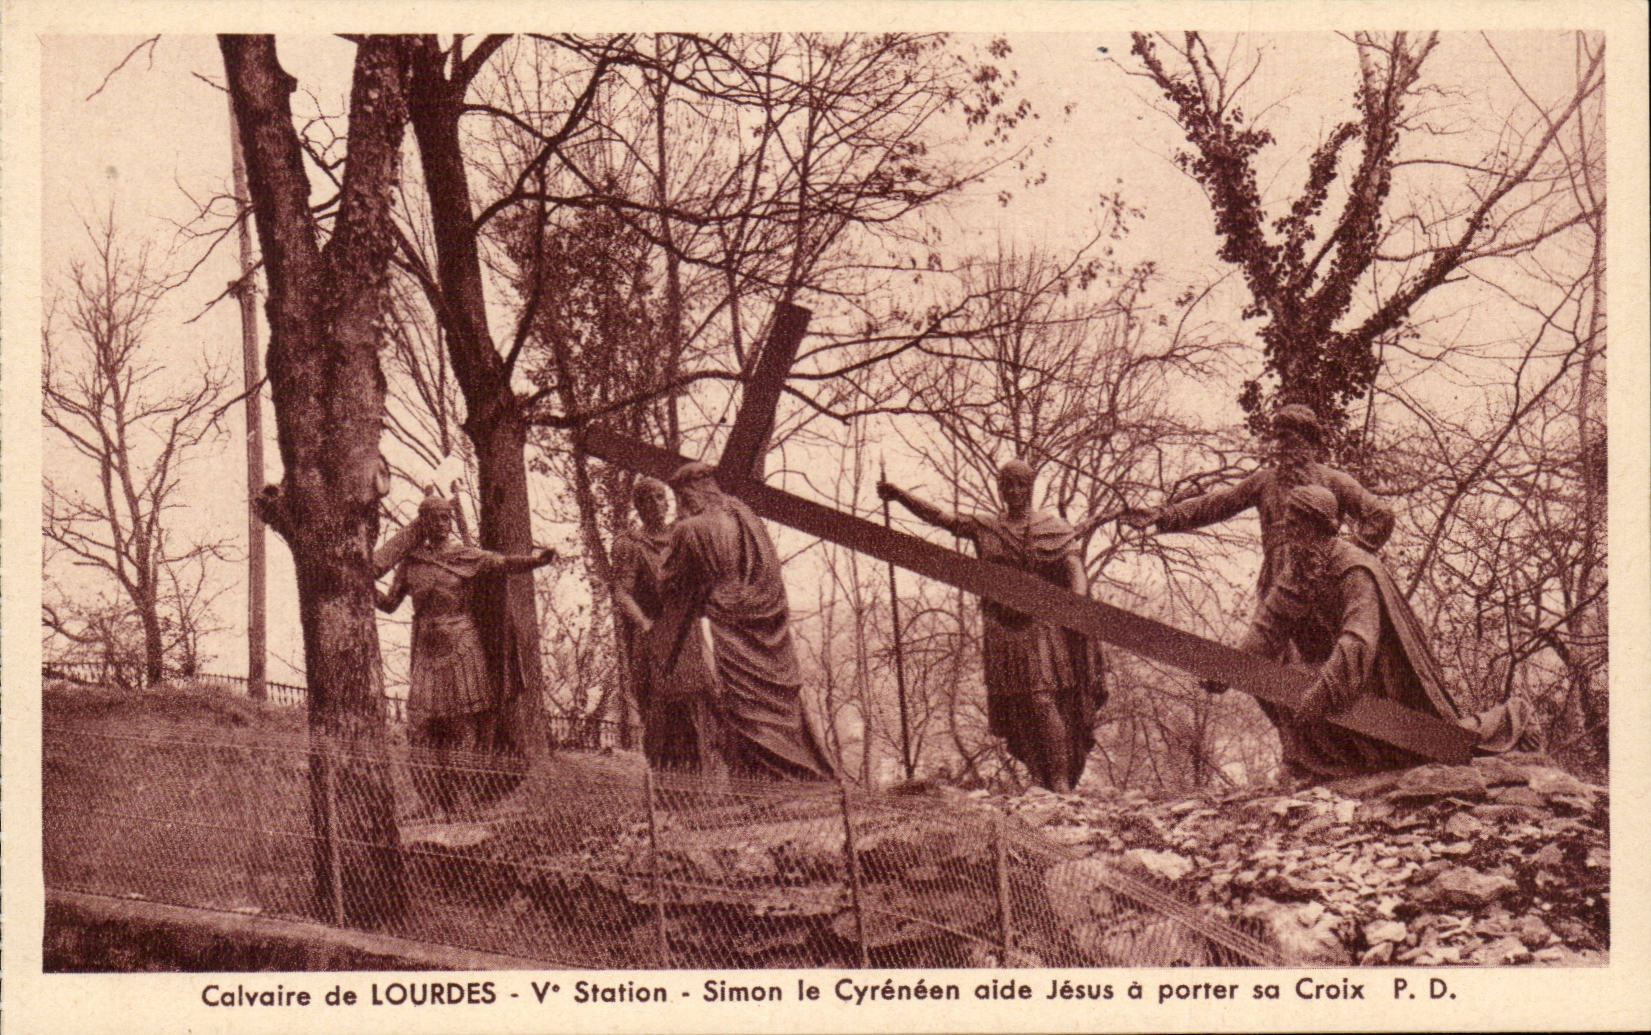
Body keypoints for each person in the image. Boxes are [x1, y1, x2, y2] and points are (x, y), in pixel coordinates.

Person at [1255, 484, 1530, 784]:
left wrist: (1323, 692)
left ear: (1315, 525)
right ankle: (1325, 763)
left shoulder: (1354, 569)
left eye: (1294, 525)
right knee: (1281, 679)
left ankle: (1512, 719)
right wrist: (1225, 669)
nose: (1287, 532)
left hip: (1383, 681)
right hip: (1342, 677)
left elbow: (1358, 641)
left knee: (1431, 745)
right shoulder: (1300, 567)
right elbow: (1267, 626)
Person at [1122, 403, 1394, 696]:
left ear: (1308, 440)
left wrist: (1346, 555)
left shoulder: (1333, 481)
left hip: (1323, 580)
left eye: (1292, 438)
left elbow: (1380, 514)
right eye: (1280, 438)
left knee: (1323, 655)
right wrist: (1163, 516)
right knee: (1272, 658)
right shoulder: (1265, 481)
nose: (1285, 447)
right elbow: (1218, 503)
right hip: (1281, 579)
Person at [878, 460, 1106, 793]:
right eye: (1008, 485)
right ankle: (1038, 777)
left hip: (1040, 626)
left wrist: (1077, 605)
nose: (1014, 492)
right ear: (1000, 489)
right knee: (1017, 705)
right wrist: (900, 496)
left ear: (1031, 488)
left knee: (1043, 700)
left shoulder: (1052, 527)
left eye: (1021, 485)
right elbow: (943, 519)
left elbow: (1075, 570)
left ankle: (1060, 779)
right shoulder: (987, 527)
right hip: (1001, 628)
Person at [376, 494, 558, 817]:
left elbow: (502, 562)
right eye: (434, 519)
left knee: (464, 728)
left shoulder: (465, 556)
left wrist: (536, 561)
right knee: (418, 727)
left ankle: (463, 799)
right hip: (427, 654)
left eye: (446, 518)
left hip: (463, 646)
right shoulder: (411, 564)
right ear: (423, 524)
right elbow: (390, 604)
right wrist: (360, 584)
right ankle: (428, 801)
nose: (441, 524)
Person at [659, 462, 835, 782]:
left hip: (728, 618)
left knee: (744, 701)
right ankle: (797, 773)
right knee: (777, 698)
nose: (681, 503)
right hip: (765, 614)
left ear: (689, 493)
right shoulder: (743, 516)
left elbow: (668, 582)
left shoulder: (687, 530)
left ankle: (765, 781)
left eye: (681, 496)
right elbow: (768, 568)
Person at [611, 476, 720, 774]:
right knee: (662, 713)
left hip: (689, 637)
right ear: (639, 505)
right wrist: (644, 626)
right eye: (651, 498)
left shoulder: (681, 536)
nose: (659, 504)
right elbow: (621, 593)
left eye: (662, 497)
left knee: (704, 704)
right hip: (655, 639)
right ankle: (669, 787)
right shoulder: (631, 545)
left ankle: (709, 783)